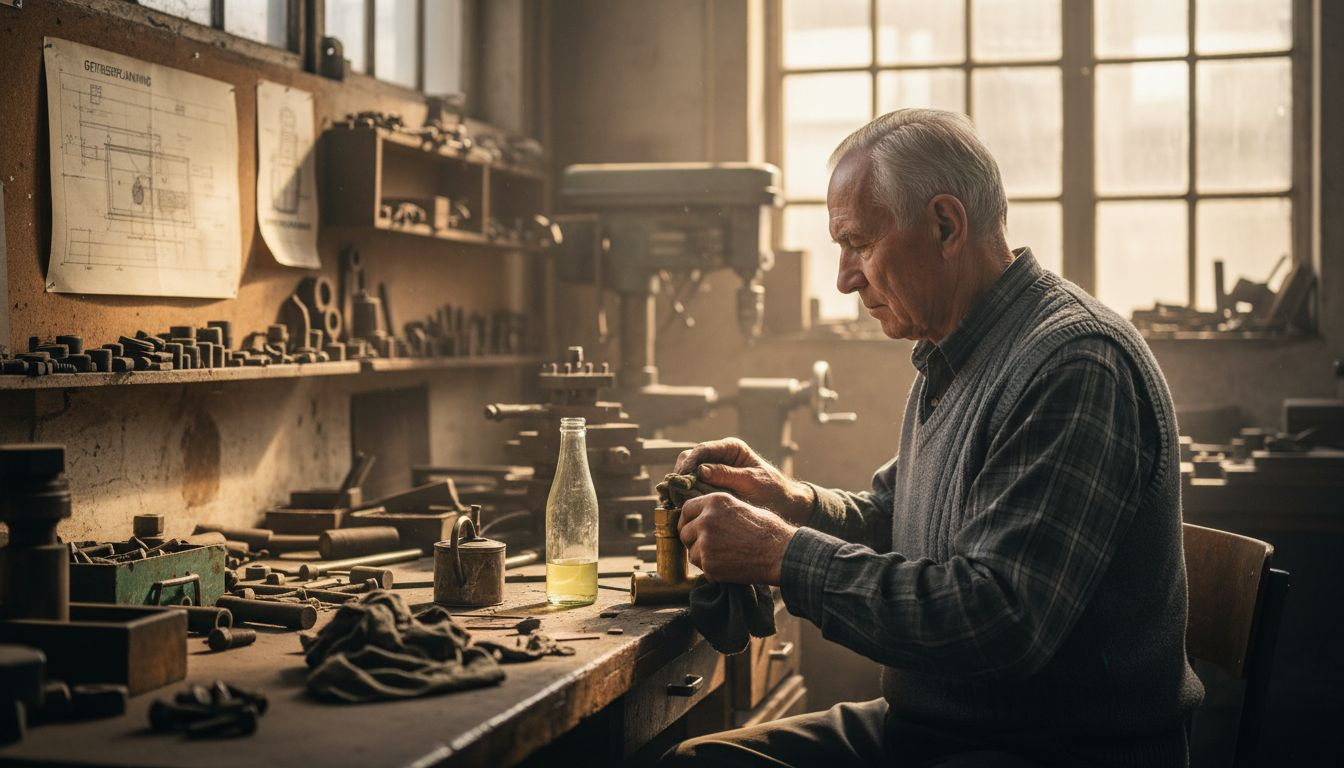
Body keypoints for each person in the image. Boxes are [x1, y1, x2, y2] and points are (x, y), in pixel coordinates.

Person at [662, 109, 1204, 767]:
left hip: (1049, 749)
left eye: (858, 243)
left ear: (946, 225)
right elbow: (894, 518)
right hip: (935, 731)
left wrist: (781, 554)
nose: (844, 278)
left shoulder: (1075, 365)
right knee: (698, 762)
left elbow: (997, 622)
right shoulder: (955, 346)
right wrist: (790, 501)